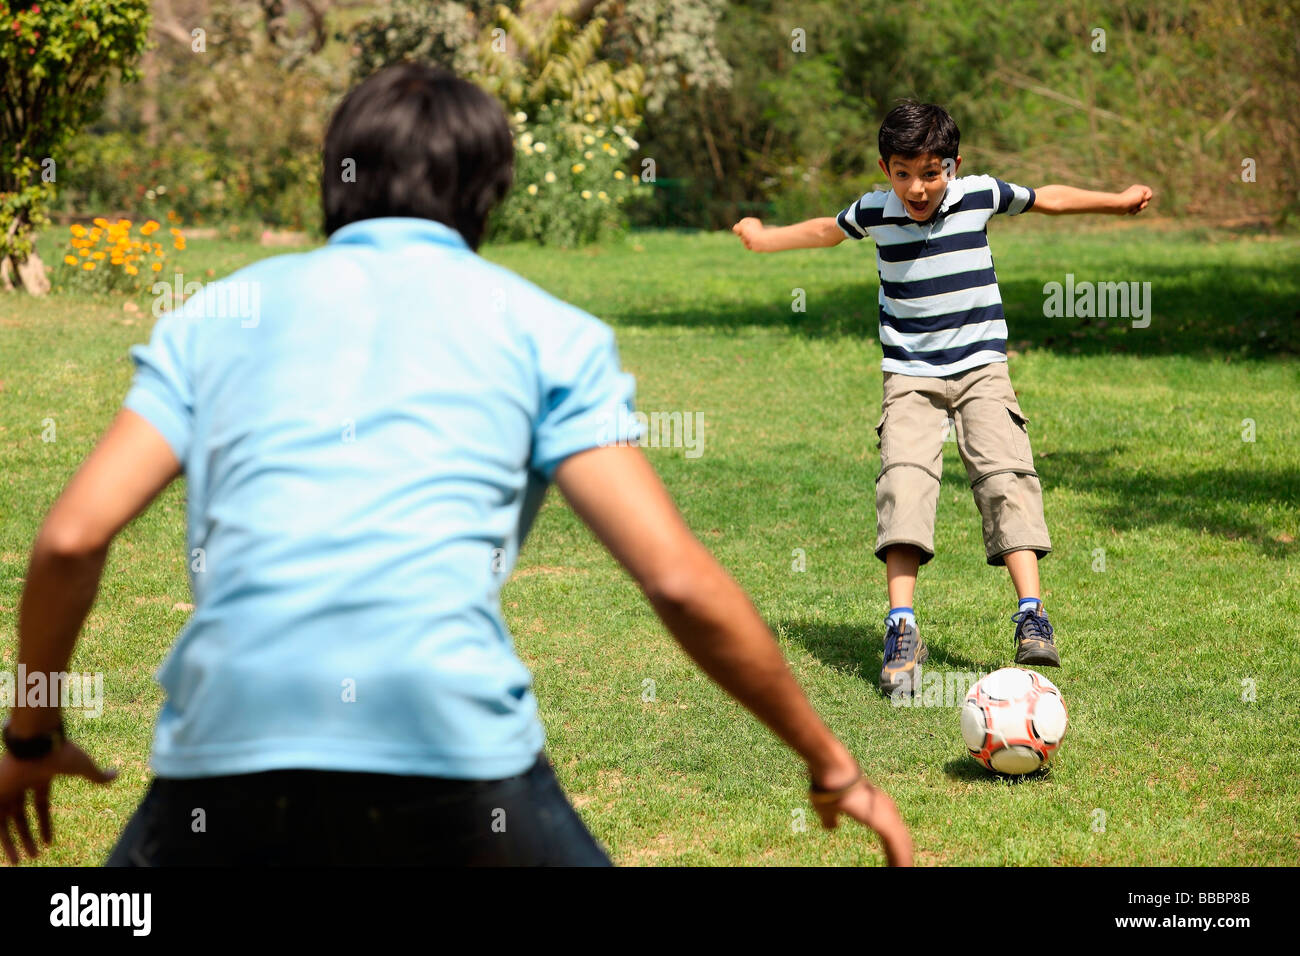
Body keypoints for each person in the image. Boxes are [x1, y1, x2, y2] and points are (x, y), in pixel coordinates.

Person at [0, 64, 911, 867]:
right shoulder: (547, 331)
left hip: (230, 757)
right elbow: (676, 580)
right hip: (452, 757)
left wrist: (30, 738)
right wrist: (830, 765)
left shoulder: (220, 310)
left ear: (335, 177)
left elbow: (74, 537)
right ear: (493, 191)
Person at [733, 101, 1152, 695]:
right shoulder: (875, 211)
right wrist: (763, 238)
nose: (917, 187)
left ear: (954, 165)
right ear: (885, 168)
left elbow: (1046, 198)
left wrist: (1116, 201)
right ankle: (901, 627)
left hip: (982, 368)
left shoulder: (978, 195)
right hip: (910, 376)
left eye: (931, 172)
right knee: (904, 482)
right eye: (903, 172)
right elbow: (825, 232)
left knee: (1006, 474)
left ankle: (1032, 614)